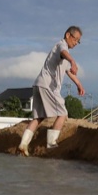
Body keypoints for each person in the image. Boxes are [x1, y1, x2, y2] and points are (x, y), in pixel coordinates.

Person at [18, 26, 85, 155]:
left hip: (39, 84)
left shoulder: (64, 54)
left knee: (38, 117)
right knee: (63, 113)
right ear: (67, 35)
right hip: (47, 86)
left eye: (78, 41)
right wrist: (73, 61)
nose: (76, 43)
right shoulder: (61, 45)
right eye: (75, 39)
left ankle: (23, 144)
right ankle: (52, 145)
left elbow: (69, 73)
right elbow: (64, 53)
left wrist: (79, 85)